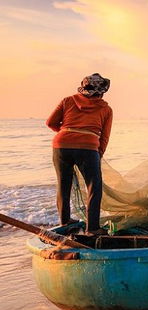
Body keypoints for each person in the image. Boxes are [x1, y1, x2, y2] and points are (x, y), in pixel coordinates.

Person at [46, 73, 113, 235]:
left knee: (63, 185)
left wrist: (66, 132)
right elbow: (104, 136)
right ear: (102, 90)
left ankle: (65, 221)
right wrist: (99, 153)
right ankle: (93, 228)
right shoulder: (106, 109)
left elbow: (50, 123)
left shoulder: (67, 101)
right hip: (88, 148)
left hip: (61, 145)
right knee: (93, 187)